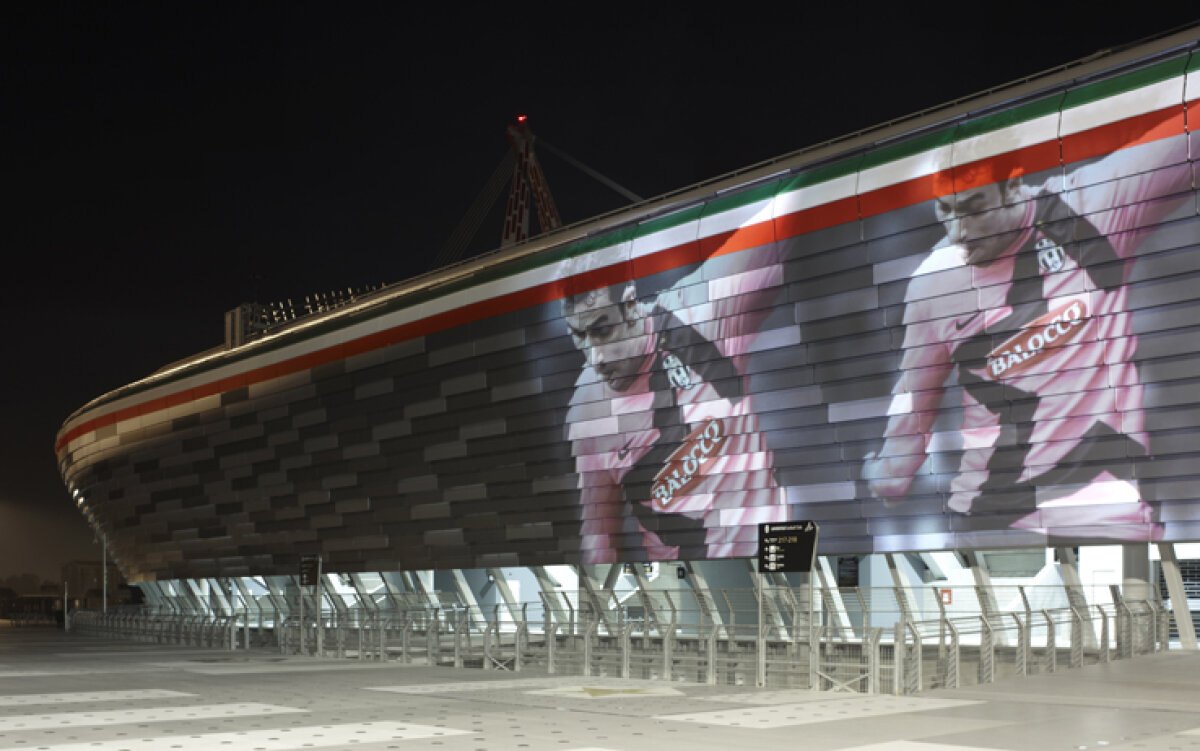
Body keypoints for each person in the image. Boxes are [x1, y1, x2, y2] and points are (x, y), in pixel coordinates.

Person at [862, 146, 1190, 541]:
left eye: (973, 208)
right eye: (945, 211)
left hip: (1109, 521)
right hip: (991, 523)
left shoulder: (1094, 204)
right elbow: (914, 399)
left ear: (1013, 185)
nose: (957, 231)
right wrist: (890, 473)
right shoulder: (933, 283)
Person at [561, 243, 788, 563]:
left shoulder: (702, 310)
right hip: (689, 589)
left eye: (602, 330)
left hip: (774, 564)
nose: (595, 357)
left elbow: (793, 211)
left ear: (629, 306)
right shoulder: (587, 413)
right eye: (579, 336)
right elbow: (599, 536)